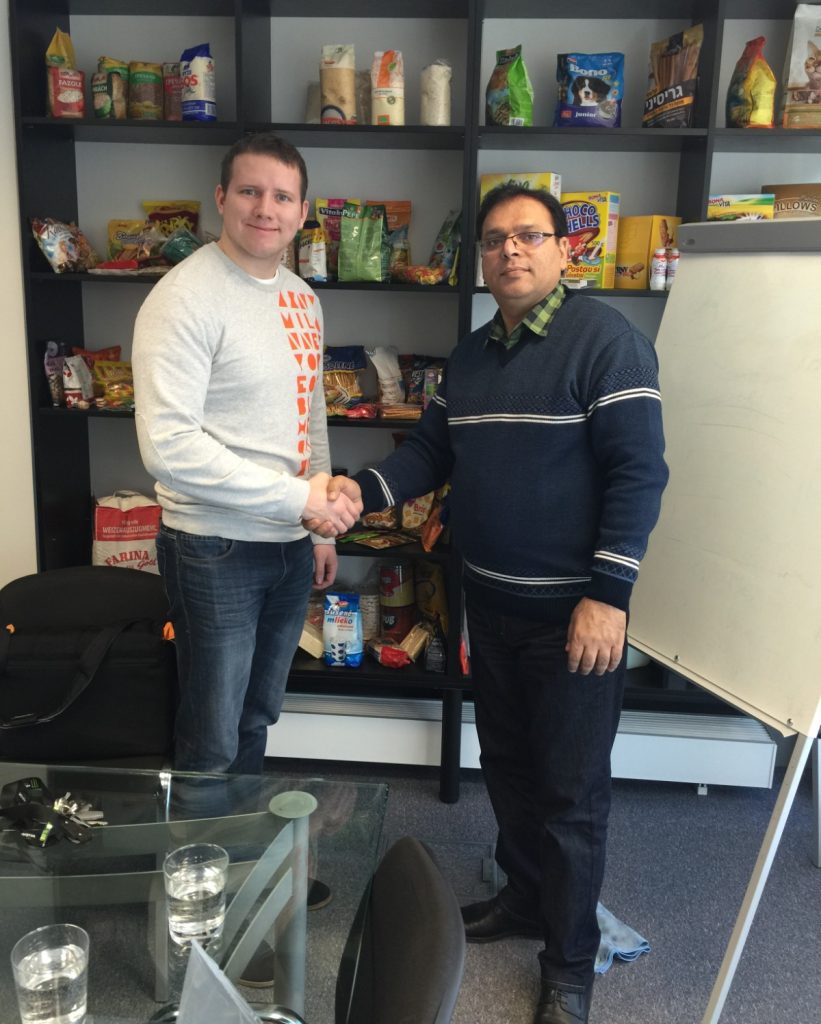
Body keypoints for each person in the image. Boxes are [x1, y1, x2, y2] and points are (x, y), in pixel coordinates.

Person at [308, 184, 668, 1024]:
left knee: (570, 795)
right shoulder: (469, 357)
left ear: (563, 250)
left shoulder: (608, 344)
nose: (511, 250)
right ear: (481, 256)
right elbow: (430, 454)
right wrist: (359, 491)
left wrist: (608, 596)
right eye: (496, 239)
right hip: (489, 605)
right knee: (505, 766)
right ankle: (525, 899)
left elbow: (637, 475)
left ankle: (568, 966)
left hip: (574, 617)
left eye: (529, 236)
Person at [132, 131, 362, 777]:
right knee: (211, 736)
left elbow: (308, 414)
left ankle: (241, 836)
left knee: (257, 714)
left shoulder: (301, 297)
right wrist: (299, 500)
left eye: (282, 196)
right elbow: (168, 448)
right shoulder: (183, 297)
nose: (266, 209)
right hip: (214, 548)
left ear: (301, 211)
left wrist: (316, 527)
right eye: (250, 191)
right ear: (221, 198)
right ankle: (200, 843)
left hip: (289, 544)